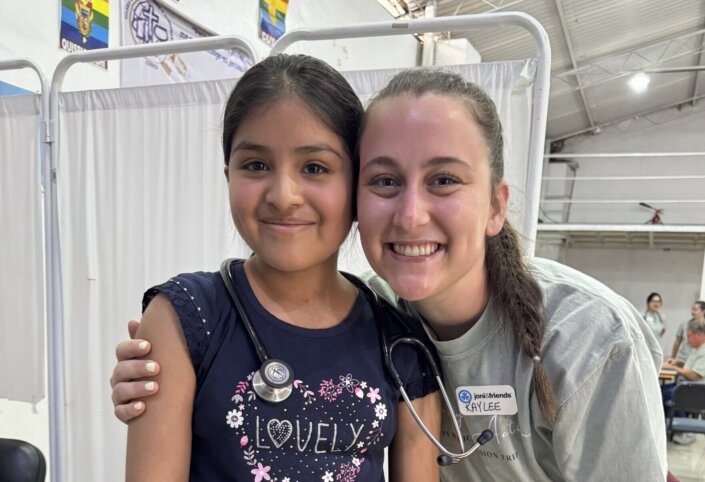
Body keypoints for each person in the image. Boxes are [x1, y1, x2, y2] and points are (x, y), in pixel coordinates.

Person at [112, 68, 668, 480]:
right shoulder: (380, 316)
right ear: (360, 195)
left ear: (497, 206)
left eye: (445, 180)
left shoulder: (590, 344)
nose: (410, 215)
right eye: (385, 181)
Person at [123, 54, 441, 482]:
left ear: (357, 182)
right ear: (228, 175)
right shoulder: (185, 317)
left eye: (315, 168)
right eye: (256, 165)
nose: (284, 195)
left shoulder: (401, 342)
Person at [661, 320, 705, 445]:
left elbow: (695, 375)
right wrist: (677, 364)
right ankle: (670, 427)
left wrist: (675, 369)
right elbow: (690, 366)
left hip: (699, 391)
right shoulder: (700, 348)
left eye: (689, 336)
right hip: (691, 387)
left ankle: (684, 430)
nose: (687, 340)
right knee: (661, 392)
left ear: (699, 335)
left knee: (666, 395)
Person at [667, 301, 705, 365]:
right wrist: (672, 357)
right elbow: (677, 341)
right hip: (683, 359)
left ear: (703, 311)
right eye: (692, 309)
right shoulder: (685, 324)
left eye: (695, 310)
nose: (692, 312)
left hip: (700, 360)